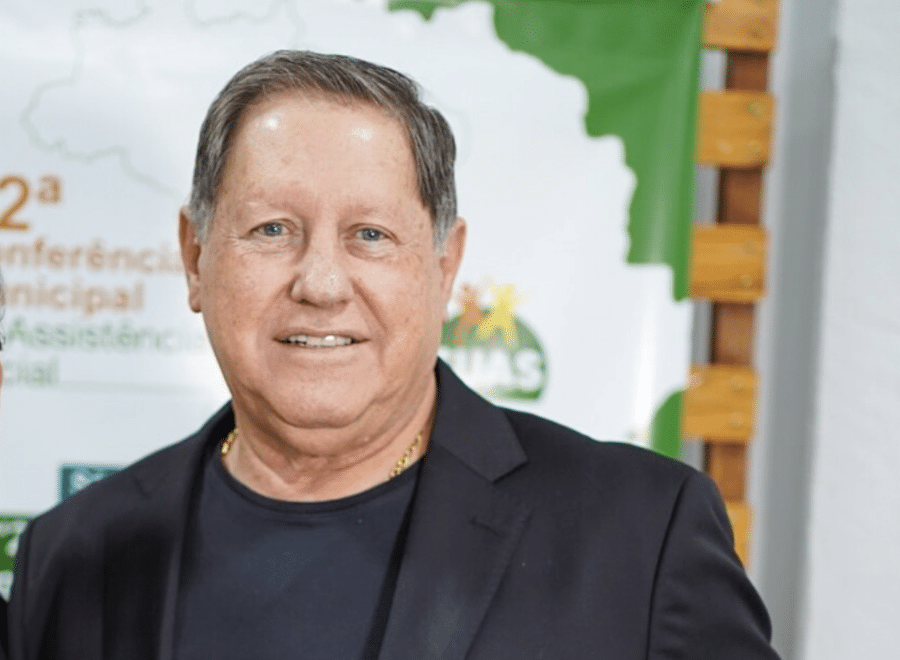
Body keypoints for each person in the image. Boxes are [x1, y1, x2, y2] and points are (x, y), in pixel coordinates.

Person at [8, 51, 780, 659]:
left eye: (370, 235)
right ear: (194, 256)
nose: (320, 283)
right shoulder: (71, 554)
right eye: (272, 229)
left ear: (445, 266)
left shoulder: (640, 534)